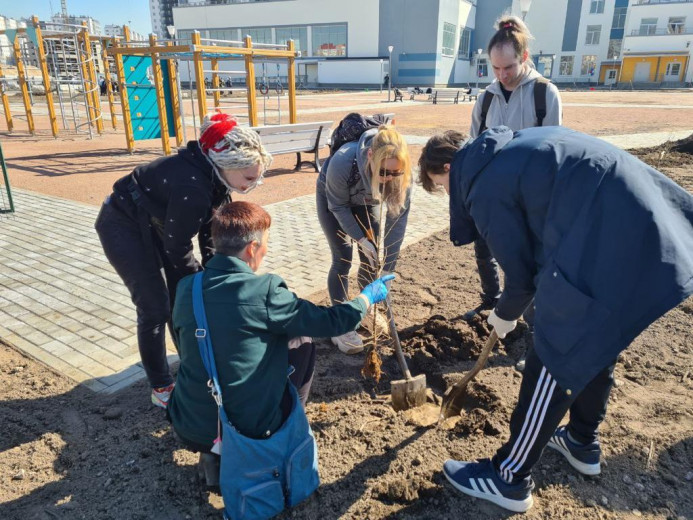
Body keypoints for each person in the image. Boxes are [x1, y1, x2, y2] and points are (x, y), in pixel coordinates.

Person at [418, 125, 693, 513]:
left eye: (442, 185)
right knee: (595, 341)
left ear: (449, 167)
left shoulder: (483, 184)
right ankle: (582, 441)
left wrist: (503, 315)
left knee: (556, 351)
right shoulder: (510, 148)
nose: (449, 195)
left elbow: (520, 275)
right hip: (638, 230)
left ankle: (509, 477)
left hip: (603, 237)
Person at [168, 201, 395, 484]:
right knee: (301, 336)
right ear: (251, 248)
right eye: (265, 244)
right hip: (248, 425)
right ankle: (284, 429)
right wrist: (366, 298)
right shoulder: (265, 290)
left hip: (188, 420)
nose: (265, 251)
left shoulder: (186, 287)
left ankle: (213, 451)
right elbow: (332, 322)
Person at [95, 113, 272, 409]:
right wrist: (203, 280)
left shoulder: (214, 177)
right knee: (155, 305)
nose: (255, 184)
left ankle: (192, 364)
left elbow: (209, 235)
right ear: (226, 166)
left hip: (159, 222)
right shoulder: (193, 187)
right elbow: (178, 247)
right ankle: (161, 386)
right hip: (123, 224)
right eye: (250, 178)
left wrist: (219, 277)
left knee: (182, 299)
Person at [466, 15, 562, 322]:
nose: (502, 75)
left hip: (531, 196)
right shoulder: (485, 99)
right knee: (485, 250)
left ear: (524, 57)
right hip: (492, 194)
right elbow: (474, 144)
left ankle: (532, 327)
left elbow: (553, 149)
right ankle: (490, 301)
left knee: (527, 261)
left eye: (508, 67)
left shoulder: (544, 94)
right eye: (495, 68)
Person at [316, 124, 411, 354]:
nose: (389, 179)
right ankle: (341, 324)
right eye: (384, 172)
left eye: (395, 173)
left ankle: (366, 307)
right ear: (370, 156)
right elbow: (337, 206)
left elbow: (396, 221)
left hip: (366, 202)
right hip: (335, 202)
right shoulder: (343, 162)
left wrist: (387, 270)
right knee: (343, 259)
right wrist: (359, 238)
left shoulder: (401, 173)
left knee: (373, 259)